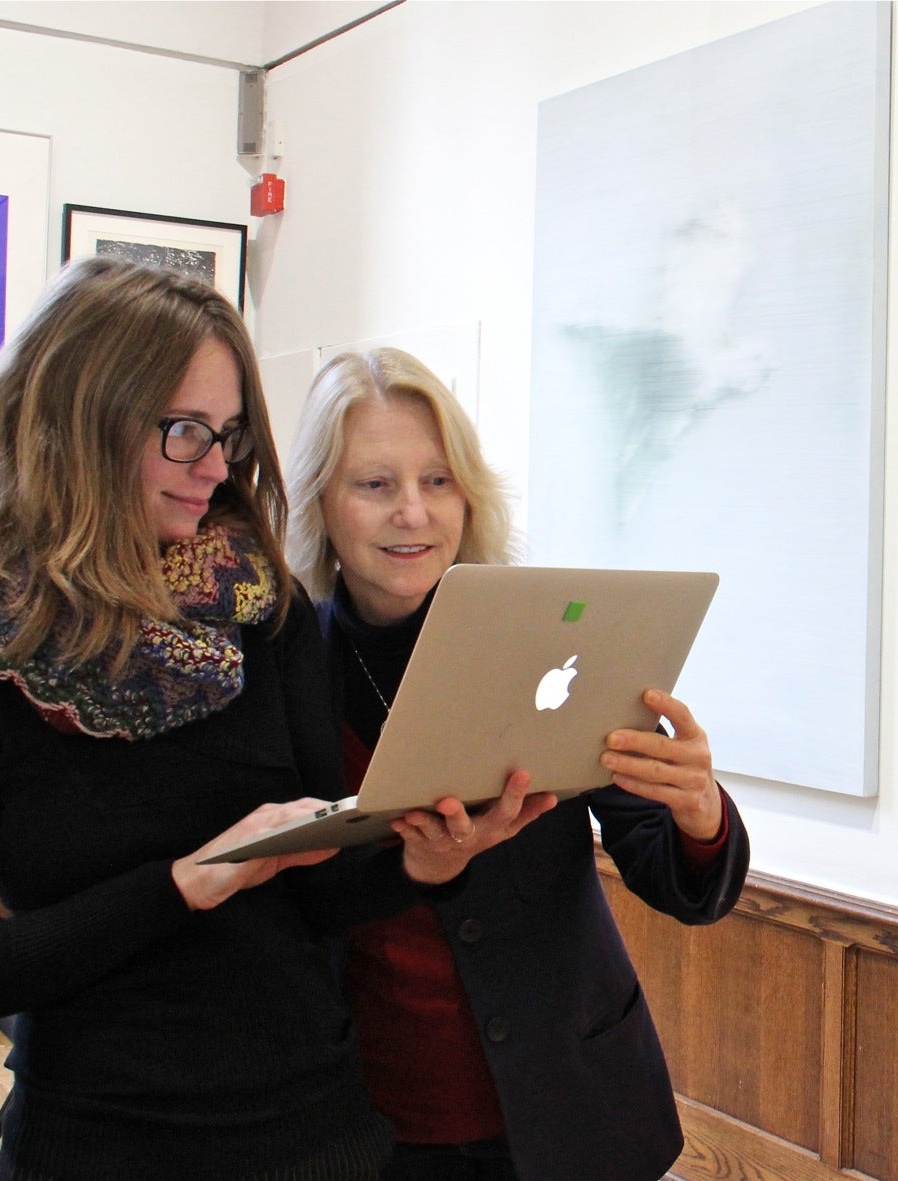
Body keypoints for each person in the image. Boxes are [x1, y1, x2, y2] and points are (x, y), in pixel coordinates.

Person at [0, 258, 536, 1179]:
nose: (219, 468)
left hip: (315, 1129)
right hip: (99, 1142)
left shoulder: (261, 607)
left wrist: (423, 862)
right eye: (185, 432)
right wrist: (183, 883)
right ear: (78, 415)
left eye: (227, 436)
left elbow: (320, 895)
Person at [286, 348, 750, 1181]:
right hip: (369, 1123)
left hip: (572, 1112)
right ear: (321, 498)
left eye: (437, 480)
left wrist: (700, 816)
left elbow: (669, 867)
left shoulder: (547, 633)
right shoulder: (287, 669)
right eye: (375, 484)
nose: (414, 514)